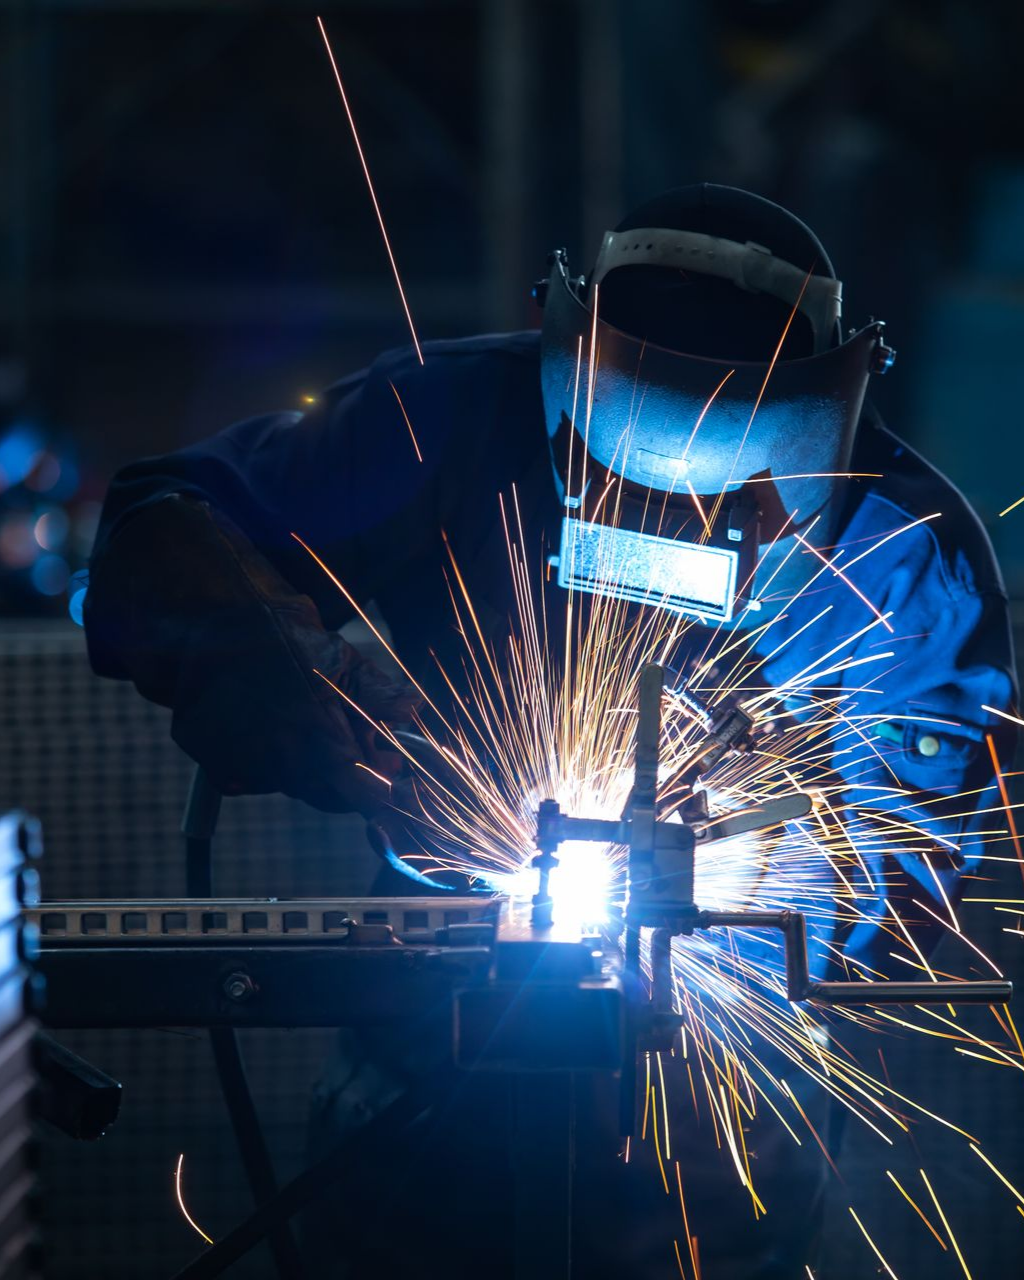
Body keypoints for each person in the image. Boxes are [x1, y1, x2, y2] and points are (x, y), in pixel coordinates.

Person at [85, 185, 1016, 1277]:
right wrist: (331, 698)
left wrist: (761, 860)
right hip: (415, 1096)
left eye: (732, 504)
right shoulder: (454, 417)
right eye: (625, 490)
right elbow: (163, 524)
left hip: (714, 1154)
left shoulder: (905, 553)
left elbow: (914, 860)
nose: (675, 530)